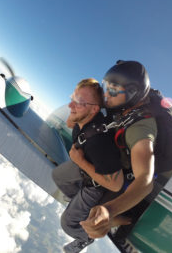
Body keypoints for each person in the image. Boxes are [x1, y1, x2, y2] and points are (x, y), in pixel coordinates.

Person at [80, 60, 172, 239]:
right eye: (106, 87)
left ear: (132, 93)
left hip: (142, 169)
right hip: (135, 155)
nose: (106, 95)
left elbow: (145, 179)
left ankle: (125, 219)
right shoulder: (132, 104)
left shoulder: (140, 128)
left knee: (94, 212)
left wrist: (109, 210)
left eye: (112, 91)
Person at [52, 78, 124, 253]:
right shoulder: (85, 118)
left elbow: (116, 184)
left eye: (79, 102)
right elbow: (70, 123)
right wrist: (77, 107)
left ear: (94, 109)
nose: (71, 106)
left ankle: (85, 238)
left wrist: (80, 161)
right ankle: (81, 205)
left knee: (67, 224)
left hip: (97, 184)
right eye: (72, 99)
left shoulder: (99, 142)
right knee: (58, 176)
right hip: (85, 164)